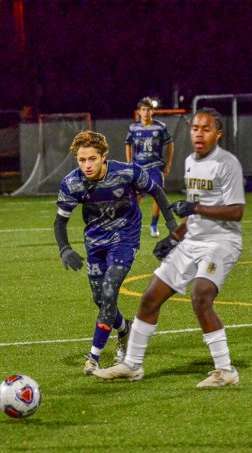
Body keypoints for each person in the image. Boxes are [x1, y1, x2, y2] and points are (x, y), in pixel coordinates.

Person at [93, 108, 245, 387]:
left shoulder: (227, 163)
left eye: (206, 129)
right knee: (150, 297)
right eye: (195, 128)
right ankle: (132, 365)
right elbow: (194, 211)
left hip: (221, 243)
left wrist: (196, 208)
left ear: (218, 134)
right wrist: (175, 236)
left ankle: (226, 371)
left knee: (201, 296)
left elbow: (236, 212)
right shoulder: (190, 161)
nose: (199, 133)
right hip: (192, 241)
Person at [54, 130, 178, 375]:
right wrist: (65, 248)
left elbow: (157, 192)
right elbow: (60, 222)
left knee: (110, 290)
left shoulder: (127, 172)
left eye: (92, 159)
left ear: (104, 156)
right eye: (81, 160)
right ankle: (124, 329)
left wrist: (171, 225)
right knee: (100, 299)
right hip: (95, 243)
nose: (87, 165)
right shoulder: (72, 183)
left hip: (124, 238)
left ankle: (93, 357)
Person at [125, 97, 174, 238]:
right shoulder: (133, 127)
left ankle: (153, 225)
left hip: (155, 167)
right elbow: (127, 143)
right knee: (135, 197)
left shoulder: (160, 127)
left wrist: (168, 163)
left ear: (152, 111)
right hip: (139, 168)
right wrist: (129, 162)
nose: (146, 112)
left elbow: (170, 143)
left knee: (157, 196)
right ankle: (132, 226)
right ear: (139, 111)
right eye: (143, 109)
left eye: (148, 109)